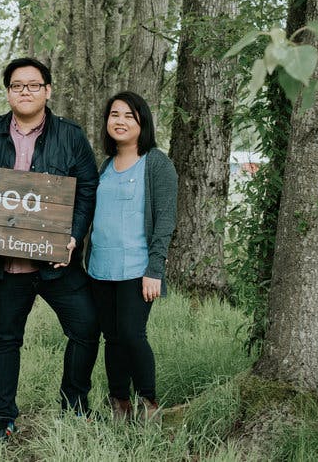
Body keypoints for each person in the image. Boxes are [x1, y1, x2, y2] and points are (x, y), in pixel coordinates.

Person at [0, 57, 100, 442]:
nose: (25, 91)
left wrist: (74, 236)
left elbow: (87, 187)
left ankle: (74, 406)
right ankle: (2, 422)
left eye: (33, 85)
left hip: (57, 262)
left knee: (86, 329)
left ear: (47, 90)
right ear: (8, 92)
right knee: (6, 339)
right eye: (17, 86)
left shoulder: (70, 136)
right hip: (5, 265)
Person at [87, 91, 178, 423]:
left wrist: (155, 268)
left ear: (142, 121)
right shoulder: (105, 165)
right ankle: (119, 404)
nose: (120, 121)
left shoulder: (156, 162)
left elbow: (165, 220)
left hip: (137, 268)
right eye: (114, 114)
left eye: (129, 115)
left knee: (131, 334)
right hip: (100, 268)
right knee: (111, 337)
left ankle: (149, 404)